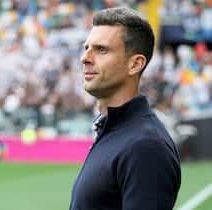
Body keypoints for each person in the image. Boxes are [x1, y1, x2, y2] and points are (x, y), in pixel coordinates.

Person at [69, 7, 181, 210]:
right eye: (86, 48)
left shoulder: (145, 145)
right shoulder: (115, 129)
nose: (85, 58)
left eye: (101, 49)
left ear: (135, 64)